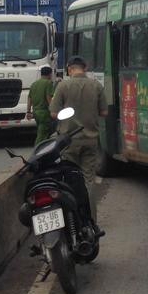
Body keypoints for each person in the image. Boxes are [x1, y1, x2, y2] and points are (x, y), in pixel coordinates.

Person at [50, 57, 107, 230]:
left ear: (69, 69)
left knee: (70, 181)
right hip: (90, 141)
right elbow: (104, 112)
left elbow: (53, 113)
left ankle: (74, 221)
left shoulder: (63, 86)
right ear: (85, 67)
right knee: (88, 181)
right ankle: (91, 221)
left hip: (68, 143)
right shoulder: (96, 85)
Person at [27, 65, 56, 146]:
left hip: (36, 113)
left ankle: (44, 148)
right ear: (50, 74)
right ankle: (37, 151)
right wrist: (53, 110)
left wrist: (28, 111)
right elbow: (48, 98)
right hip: (44, 113)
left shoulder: (34, 84)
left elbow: (29, 98)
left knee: (42, 132)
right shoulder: (48, 83)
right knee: (42, 135)